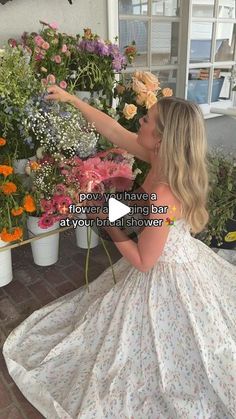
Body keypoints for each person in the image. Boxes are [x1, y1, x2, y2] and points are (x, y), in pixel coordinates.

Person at [2, 86, 236, 419]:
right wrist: (71, 100)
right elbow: (112, 129)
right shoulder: (155, 156)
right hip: (162, 247)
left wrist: (104, 215)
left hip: (165, 272)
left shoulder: (164, 192)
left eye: (147, 119)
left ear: (160, 138)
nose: (140, 121)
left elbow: (144, 261)